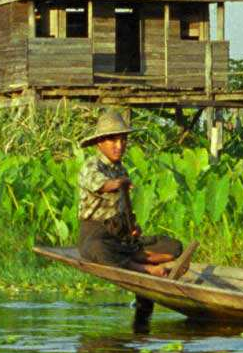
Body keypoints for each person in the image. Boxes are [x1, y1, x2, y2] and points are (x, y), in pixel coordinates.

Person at [74, 109, 189, 277]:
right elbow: (104, 185)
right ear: (99, 142)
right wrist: (119, 183)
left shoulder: (122, 169)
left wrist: (132, 229)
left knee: (174, 246)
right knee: (98, 249)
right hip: (95, 235)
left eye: (123, 140)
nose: (119, 146)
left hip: (121, 238)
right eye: (113, 140)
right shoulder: (91, 166)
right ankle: (146, 268)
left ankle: (132, 256)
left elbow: (125, 209)